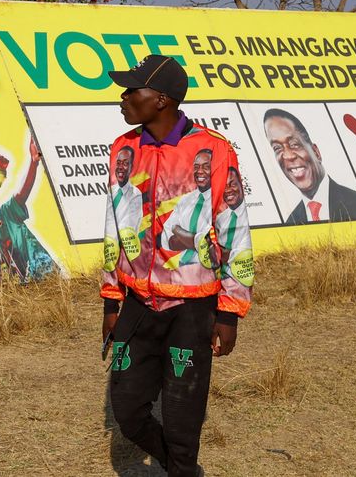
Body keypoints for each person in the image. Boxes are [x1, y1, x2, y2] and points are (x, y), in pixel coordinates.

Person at [101, 54, 254, 477]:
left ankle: (183, 467)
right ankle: (184, 469)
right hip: (137, 303)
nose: (124, 96)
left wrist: (230, 311)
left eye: (134, 90)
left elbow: (233, 228)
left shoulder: (214, 151)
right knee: (128, 410)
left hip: (192, 308)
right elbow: (115, 226)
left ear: (161, 100)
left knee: (184, 421)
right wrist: (111, 300)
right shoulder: (123, 149)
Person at [0, 137, 57, 282]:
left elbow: (21, 193)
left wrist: (34, 162)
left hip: (45, 272)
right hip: (29, 283)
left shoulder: (6, 212)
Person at [262, 107, 356, 224]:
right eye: (277, 148)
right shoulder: (291, 223)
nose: (288, 156)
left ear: (316, 152)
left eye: (294, 144)